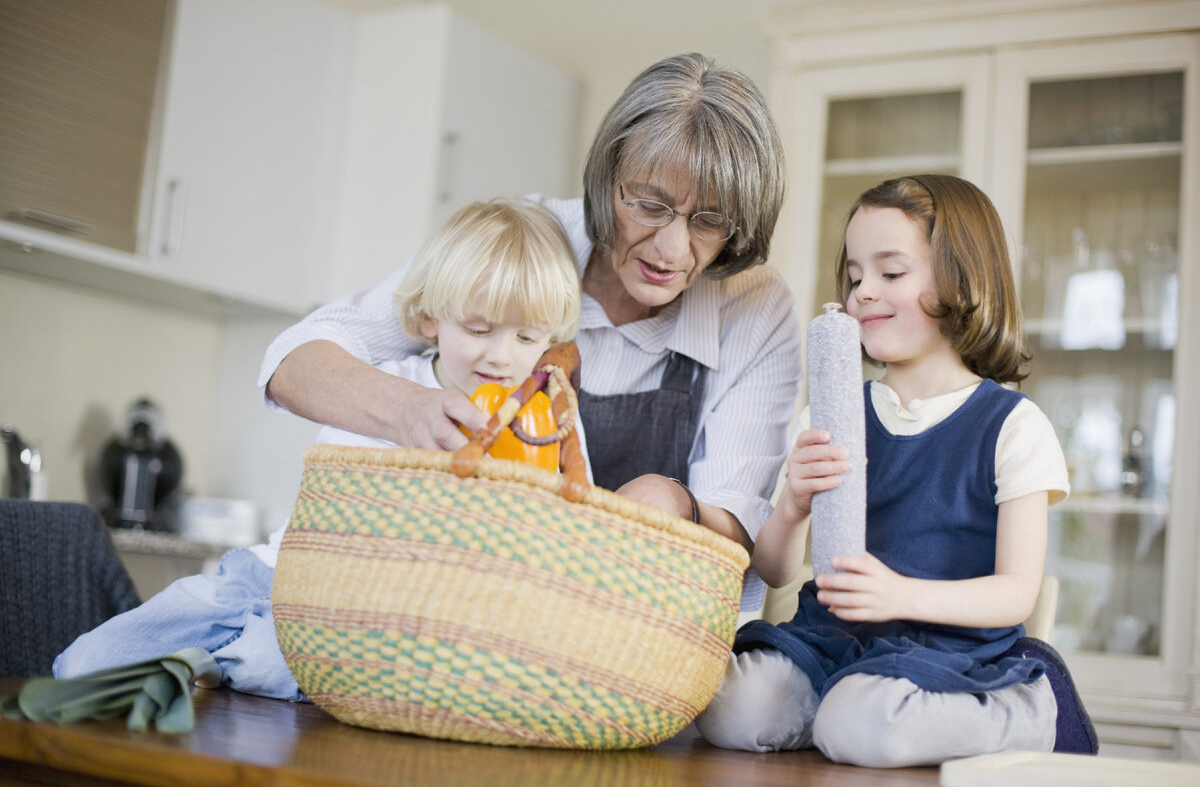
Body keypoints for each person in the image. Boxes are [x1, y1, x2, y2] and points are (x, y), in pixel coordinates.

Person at [259, 53, 802, 611]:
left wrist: (674, 504)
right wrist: (407, 409)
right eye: (648, 204)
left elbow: (742, 533)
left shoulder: (752, 305)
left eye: (709, 219)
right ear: (607, 178)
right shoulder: (523, 243)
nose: (670, 249)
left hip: (625, 615)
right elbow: (290, 364)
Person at [54, 198, 587, 699]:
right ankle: (206, 656)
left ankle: (211, 665)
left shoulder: (550, 421)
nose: (501, 356)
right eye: (480, 329)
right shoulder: (385, 389)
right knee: (90, 662)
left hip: (373, 615)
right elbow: (332, 499)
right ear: (431, 319)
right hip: (275, 577)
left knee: (287, 664)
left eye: (526, 338)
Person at [694, 174, 1075, 766]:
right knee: (731, 706)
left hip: (944, 653)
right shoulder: (828, 413)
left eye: (890, 273)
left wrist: (898, 593)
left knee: (861, 720)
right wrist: (794, 504)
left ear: (962, 280)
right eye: (853, 275)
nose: (862, 291)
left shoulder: (1013, 426)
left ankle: (1023, 711)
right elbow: (773, 569)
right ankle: (838, 715)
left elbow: (1016, 594)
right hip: (831, 643)